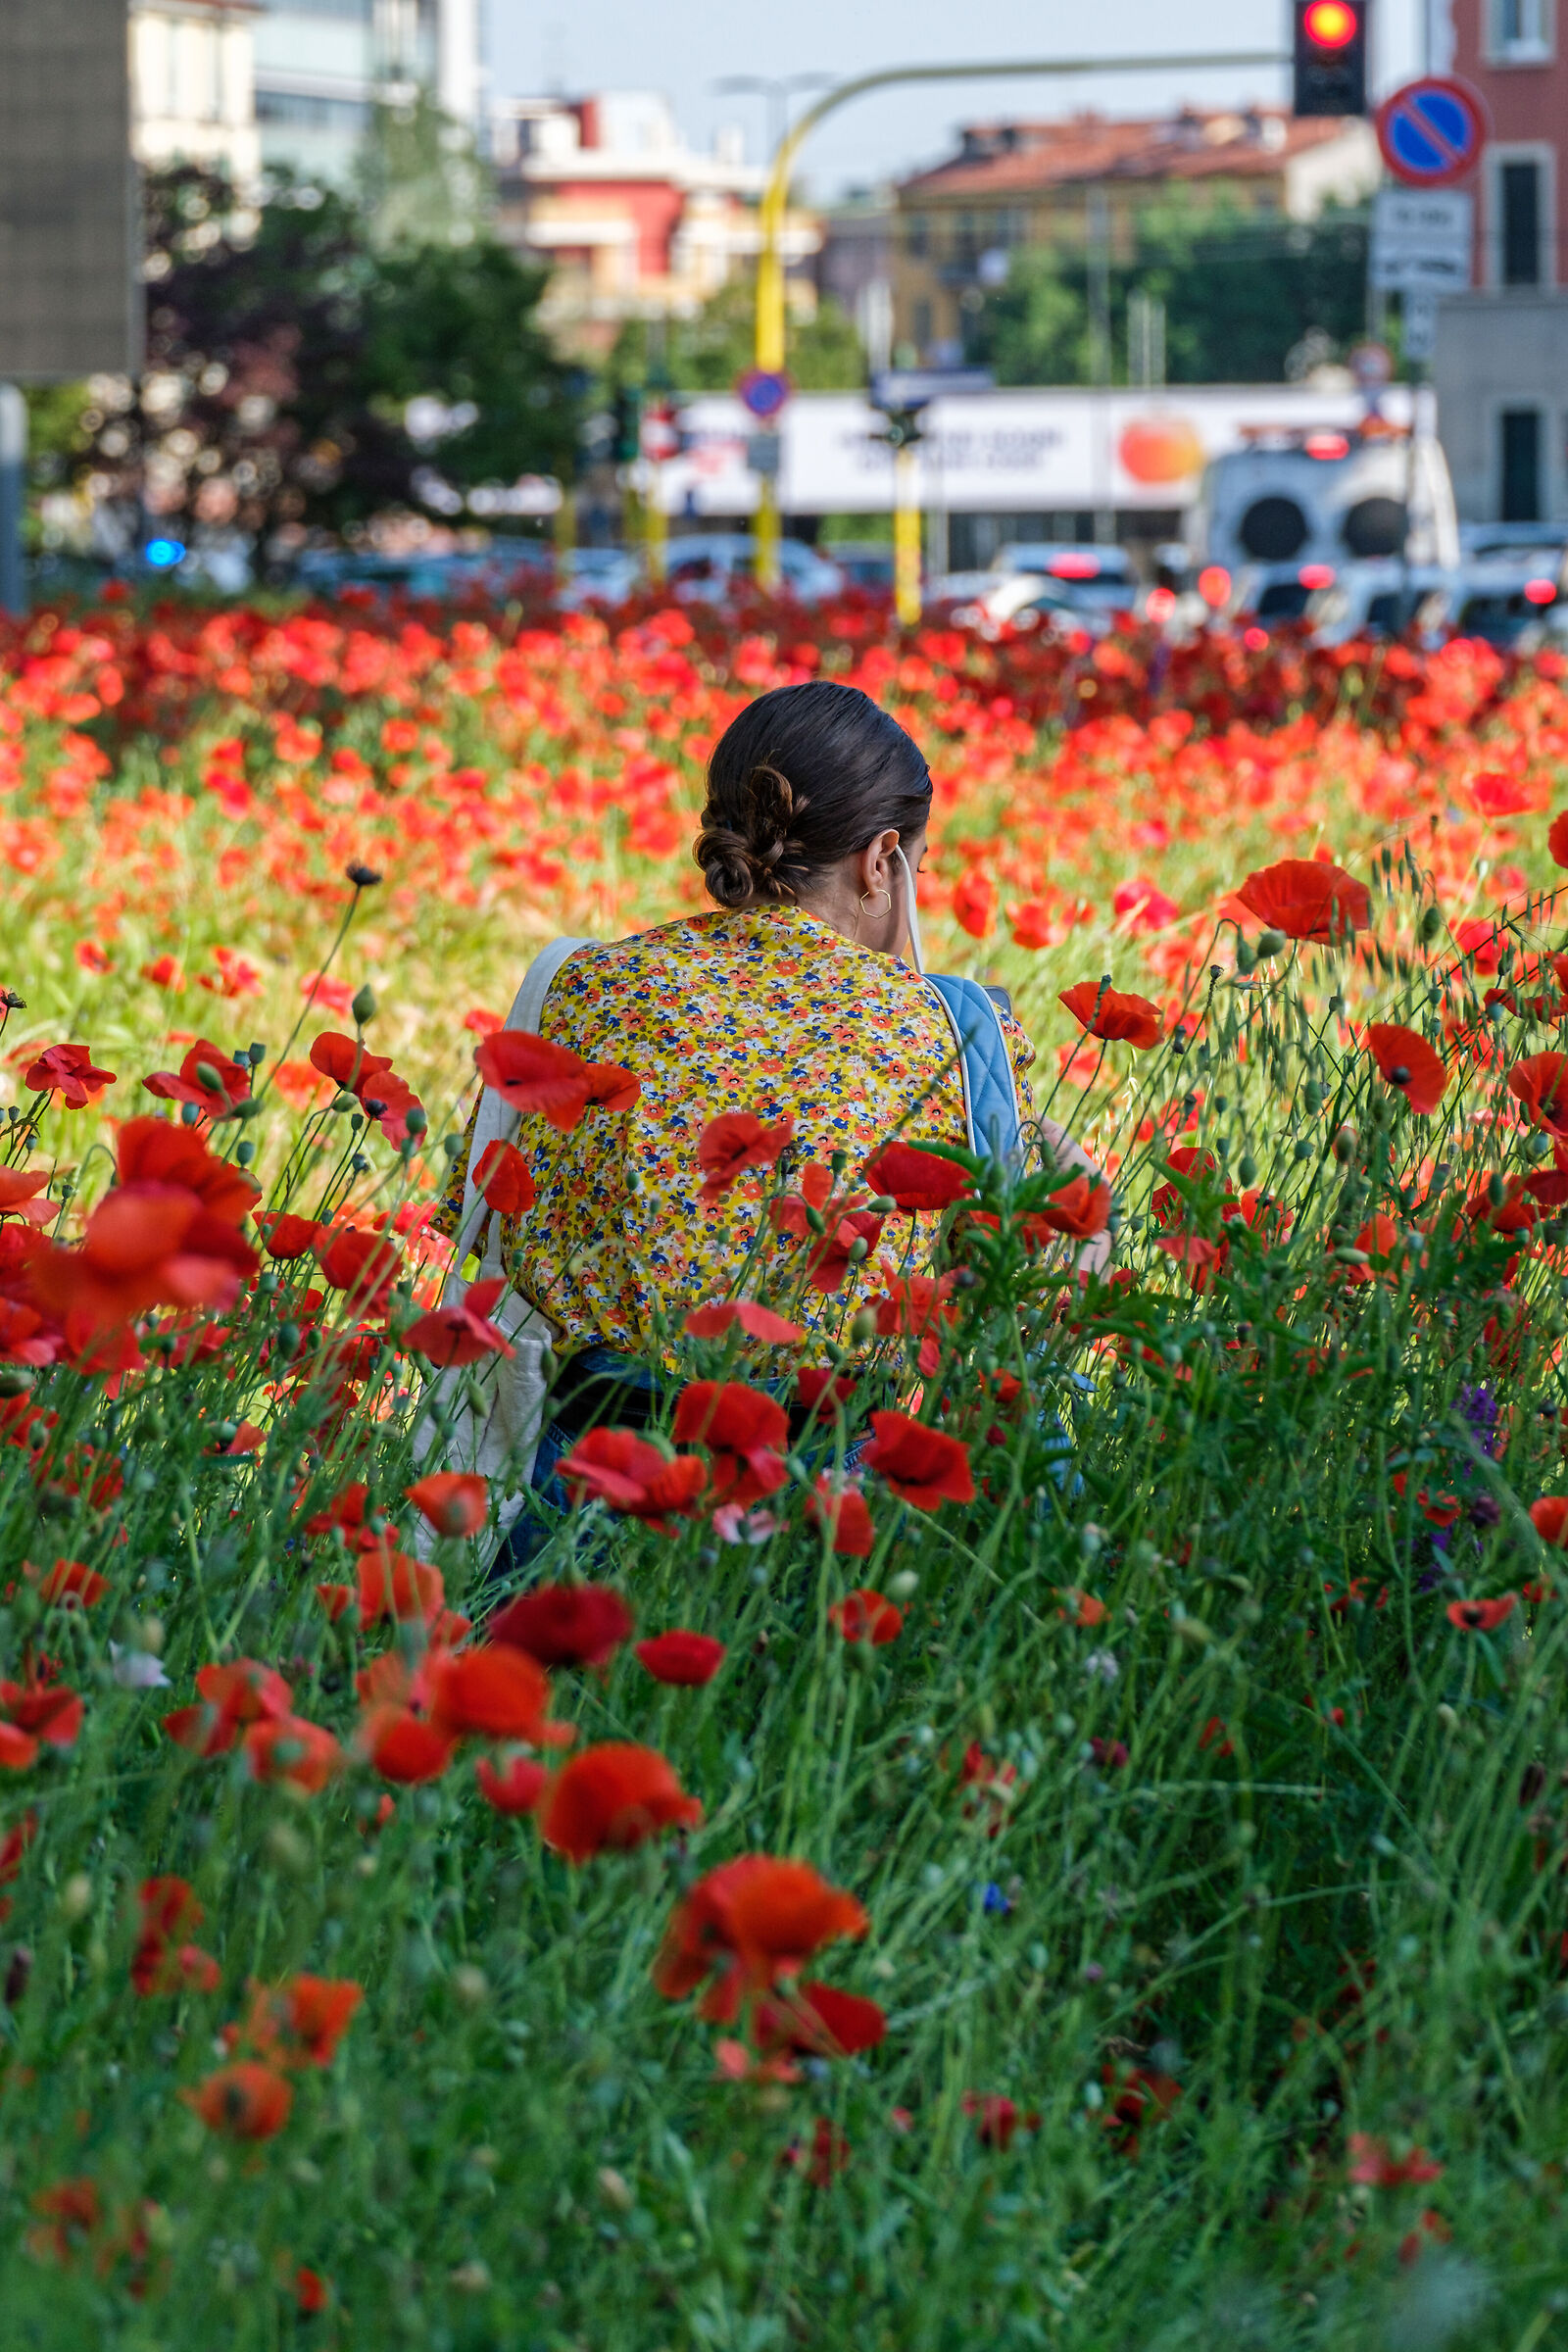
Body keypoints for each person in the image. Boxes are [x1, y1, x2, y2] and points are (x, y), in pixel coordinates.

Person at [434, 677, 1103, 1479]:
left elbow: (484, 1227)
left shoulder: (582, 985)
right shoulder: (947, 1034)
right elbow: (1017, 1313)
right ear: (883, 859)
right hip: (823, 1510)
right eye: (919, 865)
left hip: (570, 1490)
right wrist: (1088, 1221)